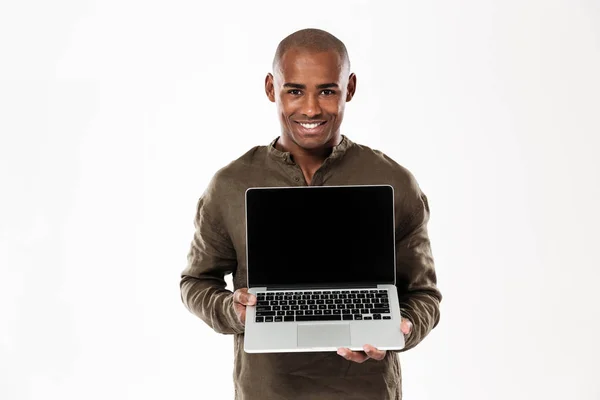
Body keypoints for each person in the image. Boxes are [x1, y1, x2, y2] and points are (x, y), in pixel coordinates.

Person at [180, 28, 442, 400]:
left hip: (366, 391)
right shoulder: (231, 184)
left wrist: (403, 327)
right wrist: (231, 309)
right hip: (268, 390)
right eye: (295, 90)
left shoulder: (393, 181)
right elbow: (195, 282)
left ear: (349, 88)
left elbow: (423, 294)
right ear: (272, 88)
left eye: (327, 90)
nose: (311, 108)